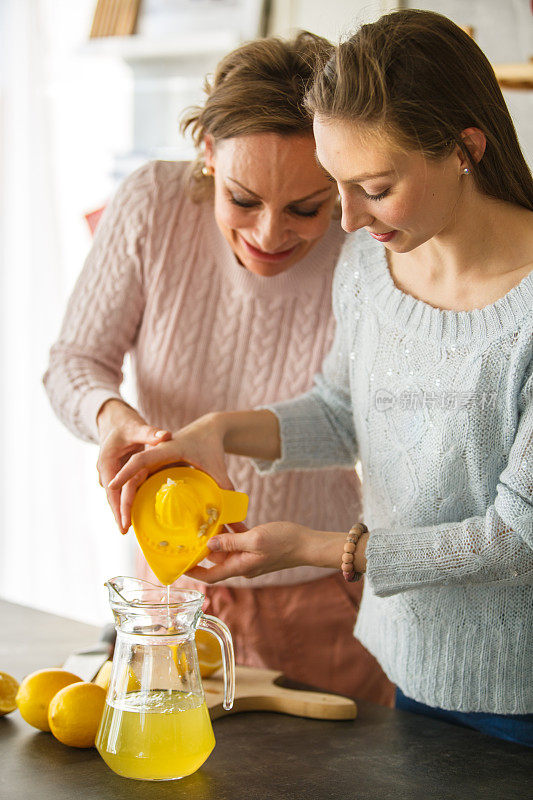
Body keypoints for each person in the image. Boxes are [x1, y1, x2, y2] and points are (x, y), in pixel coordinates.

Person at [109, 10, 533, 746]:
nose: (342, 217)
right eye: (335, 184)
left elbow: (515, 541)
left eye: (372, 186)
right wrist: (219, 433)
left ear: (465, 149)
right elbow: (341, 413)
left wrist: (317, 547)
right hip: (405, 666)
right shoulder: (373, 262)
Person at [43, 32, 394, 705]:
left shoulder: (369, 244)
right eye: (242, 198)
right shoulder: (153, 203)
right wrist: (114, 418)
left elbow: (348, 420)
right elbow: (73, 362)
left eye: (305, 208)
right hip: (170, 602)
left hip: (320, 599)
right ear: (207, 153)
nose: (268, 235)